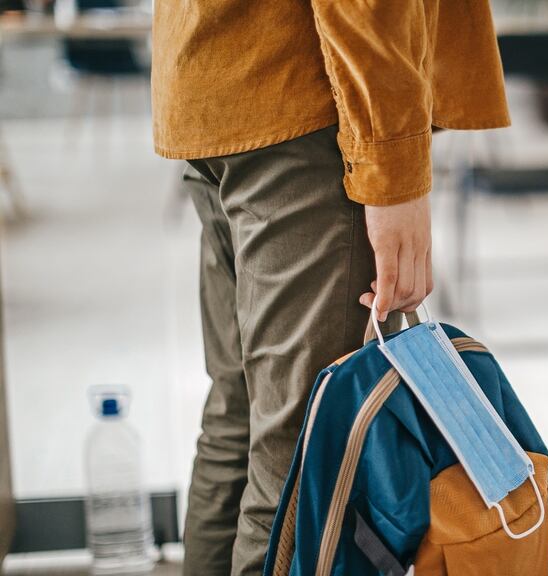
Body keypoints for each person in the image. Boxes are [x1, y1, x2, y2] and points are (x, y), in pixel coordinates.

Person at [150, 3, 511, 574]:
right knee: (299, 466)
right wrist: (392, 172)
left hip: (214, 81)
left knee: (238, 424)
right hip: (307, 97)